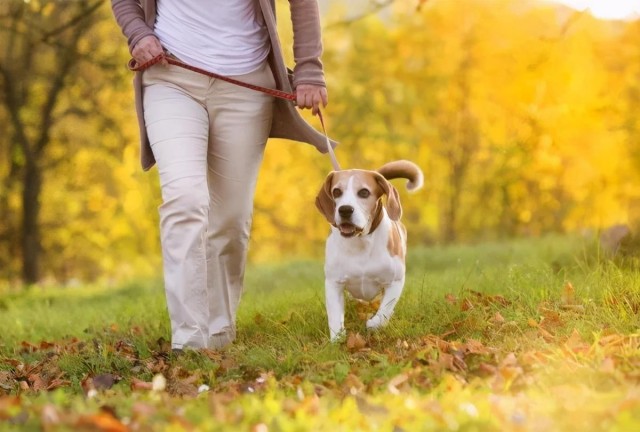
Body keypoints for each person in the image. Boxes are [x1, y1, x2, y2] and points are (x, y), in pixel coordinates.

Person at [111, 0, 331, 351]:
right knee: (185, 199)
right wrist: (138, 34)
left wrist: (308, 70)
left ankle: (218, 333)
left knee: (230, 220)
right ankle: (189, 341)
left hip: (245, 85)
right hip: (171, 77)